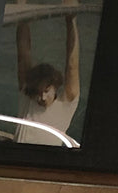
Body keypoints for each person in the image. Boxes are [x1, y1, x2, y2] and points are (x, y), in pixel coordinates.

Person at [15, 13, 81, 146]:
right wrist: (22, 13)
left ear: (55, 86)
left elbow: (72, 65)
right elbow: (23, 52)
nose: (43, 98)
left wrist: (70, 21)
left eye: (46, 91)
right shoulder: (28, 96)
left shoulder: (65, 104)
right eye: (38, 93)